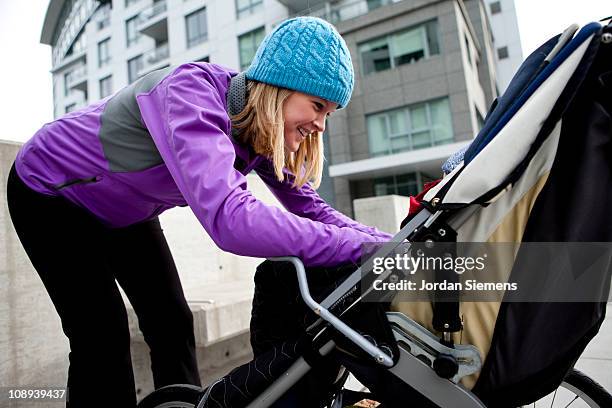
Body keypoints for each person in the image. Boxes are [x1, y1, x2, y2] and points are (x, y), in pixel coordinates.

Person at [6, 16, 392, 407]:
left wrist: (389, 245)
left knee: (172, 321)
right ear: (280, 87)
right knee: (101, 333)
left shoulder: (257, 131)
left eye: (330, 113)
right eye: (317, 105)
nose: (322, 125)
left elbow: (313, 210)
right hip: (50, 191)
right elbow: (232, 220)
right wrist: (360, 249)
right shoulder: (190, 93)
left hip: (124, 211)